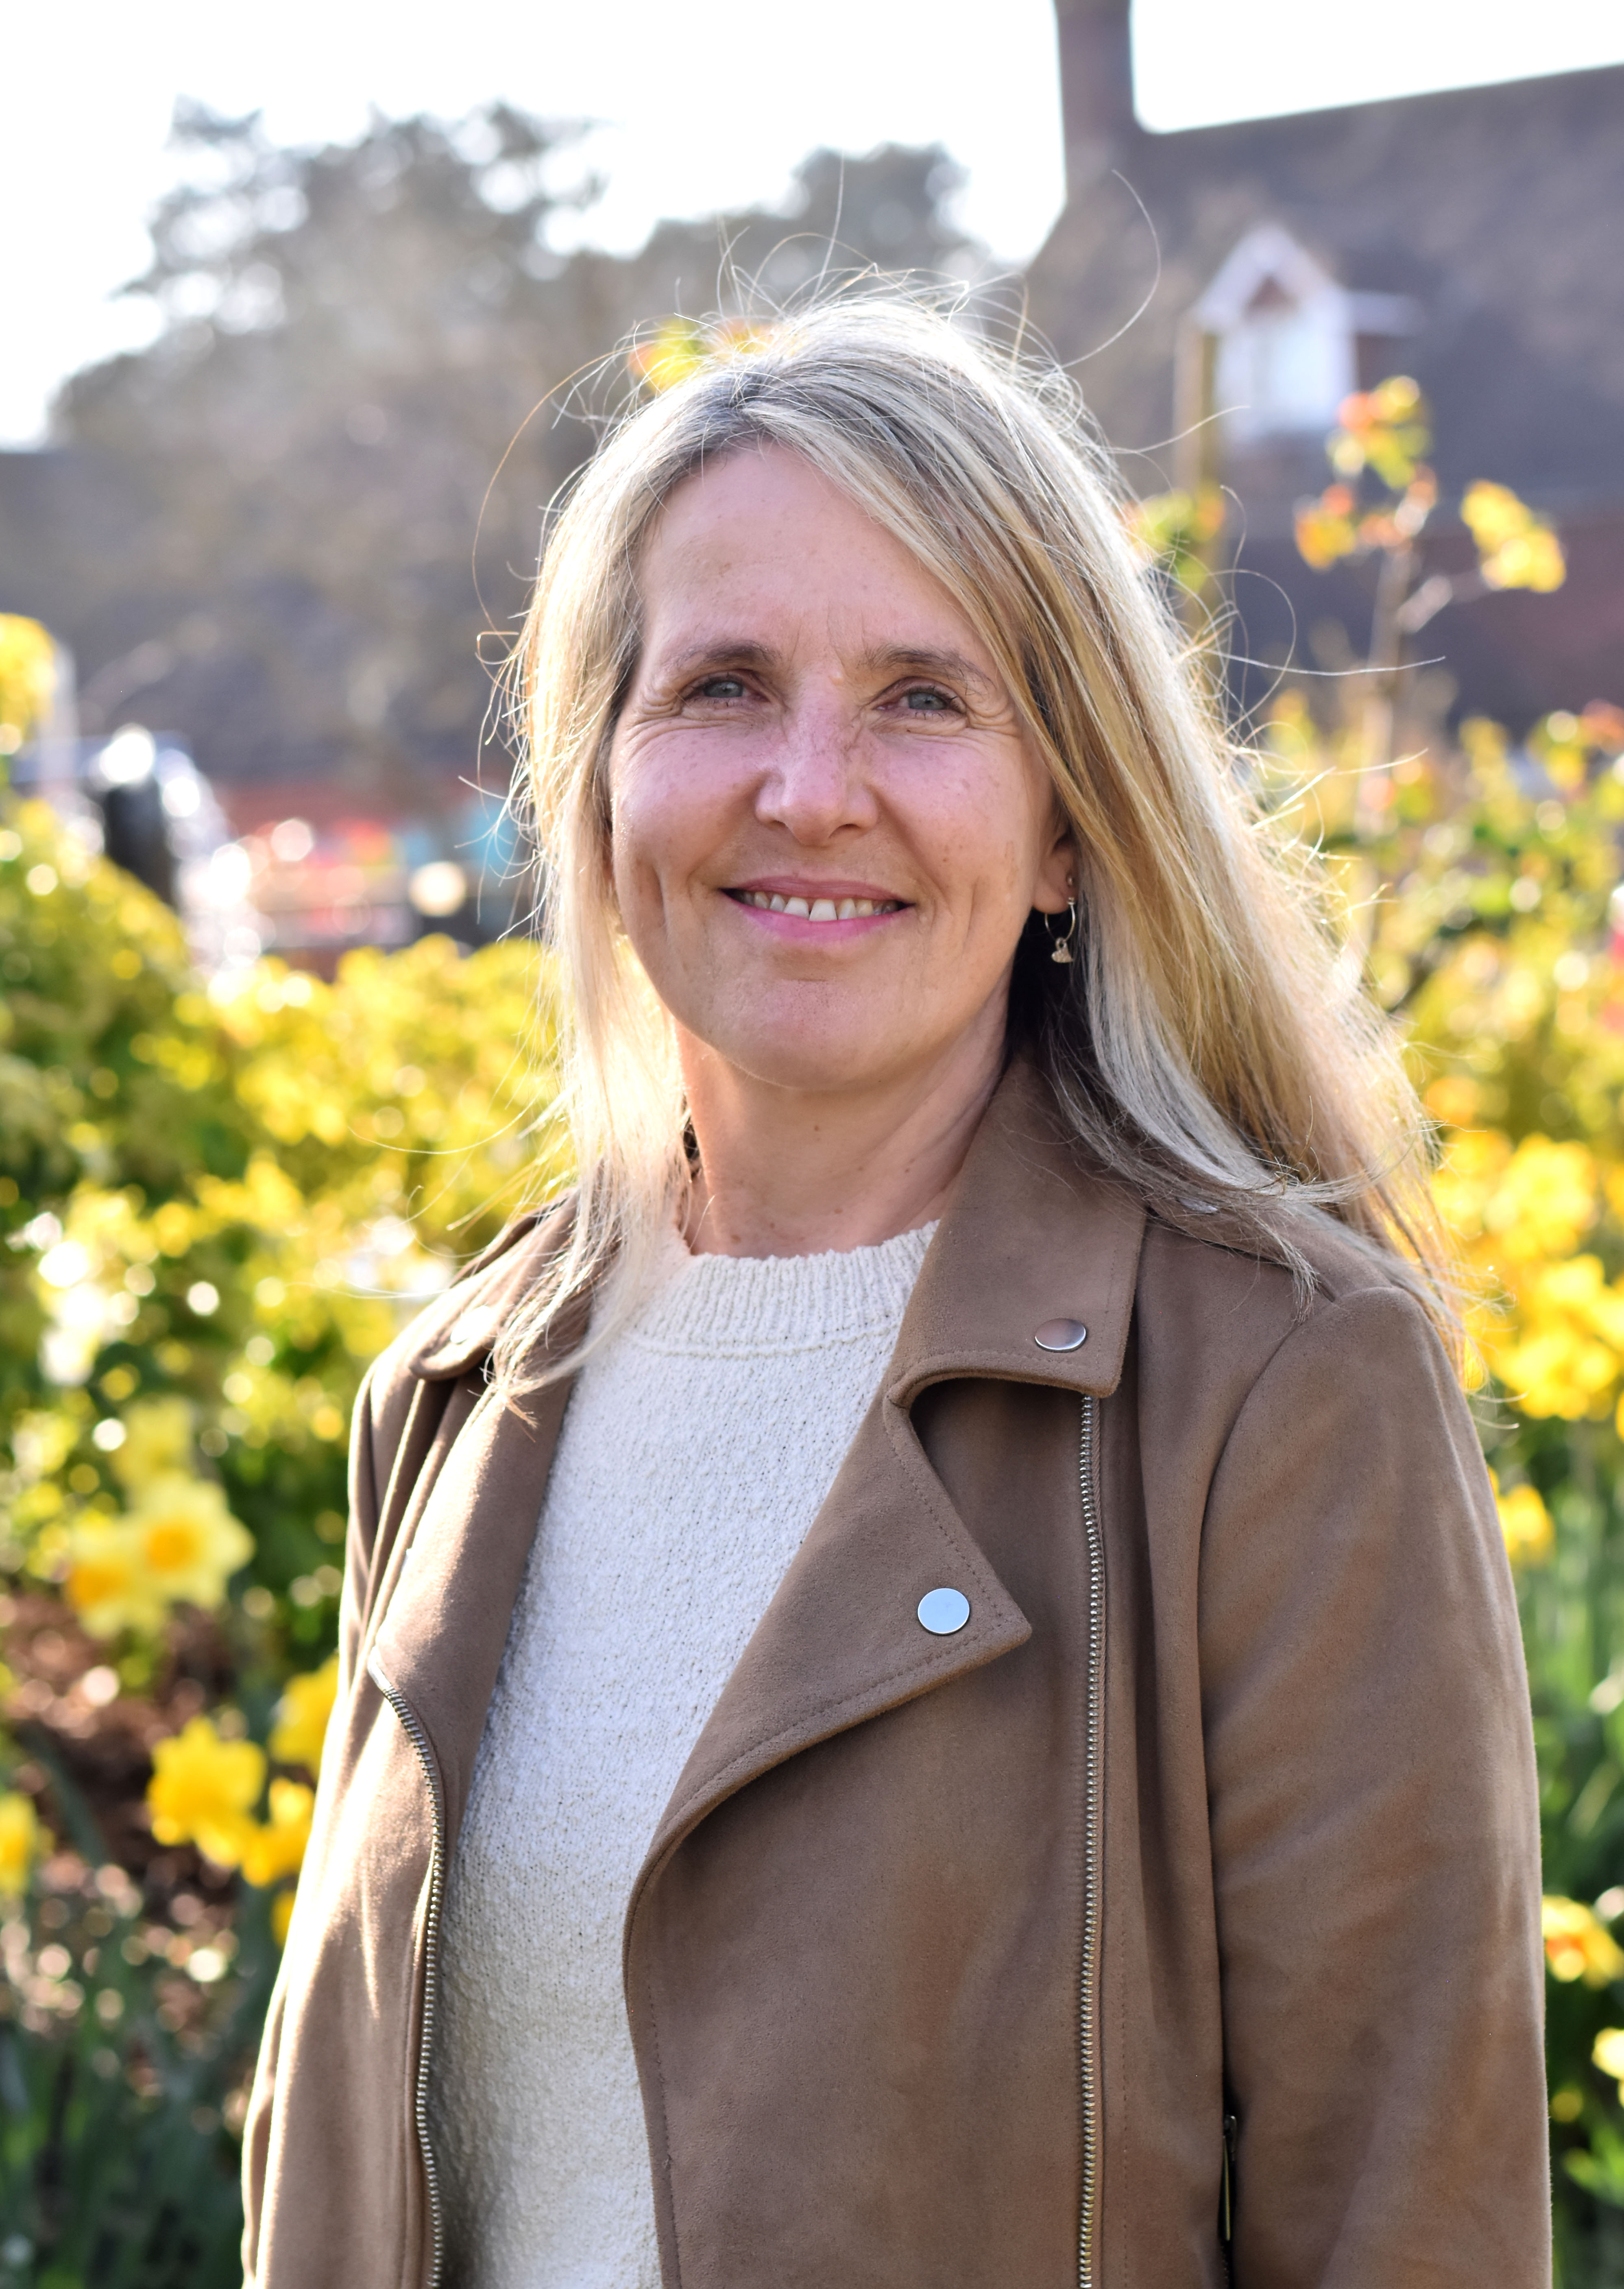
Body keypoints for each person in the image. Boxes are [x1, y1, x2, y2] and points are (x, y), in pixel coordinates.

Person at [241, 295, 1547, 2289]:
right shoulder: (455, 1394)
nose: (810, 787)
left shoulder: (1279, 1395)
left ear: (1065, 828)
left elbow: (1409, 2220)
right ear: (598, 789)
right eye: (724, 687)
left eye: (926, 699)